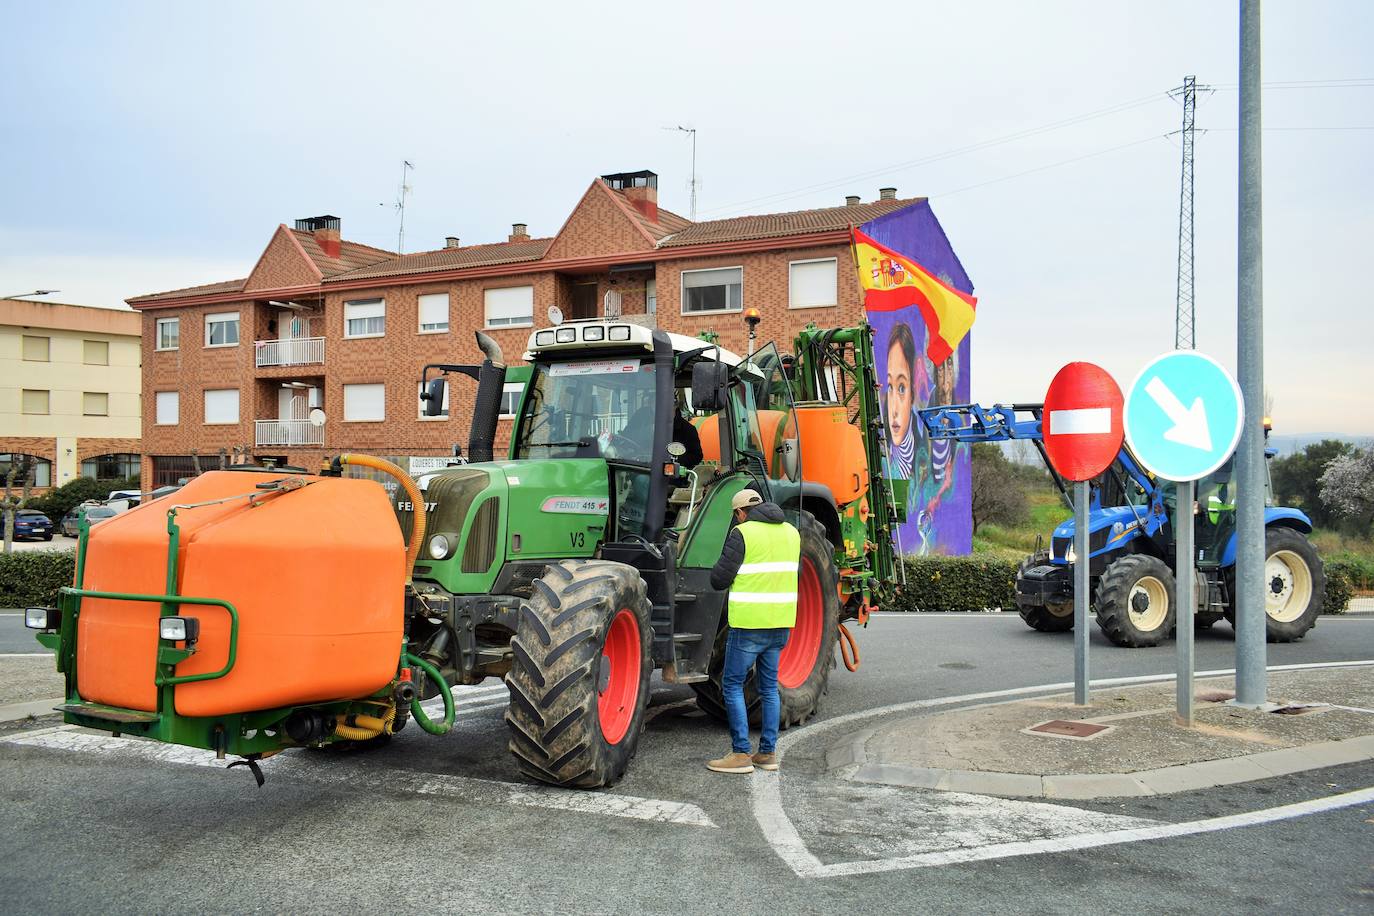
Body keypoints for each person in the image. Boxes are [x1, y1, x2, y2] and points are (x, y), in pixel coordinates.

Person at [705, 488, 801, 775]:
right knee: (769, 687)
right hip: (780, 622)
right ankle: (768, 753)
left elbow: (719, 579)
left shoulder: (743, 534)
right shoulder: (791, 533)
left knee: (733, 684)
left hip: (749, 624)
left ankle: (740, 753)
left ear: (740, 513)